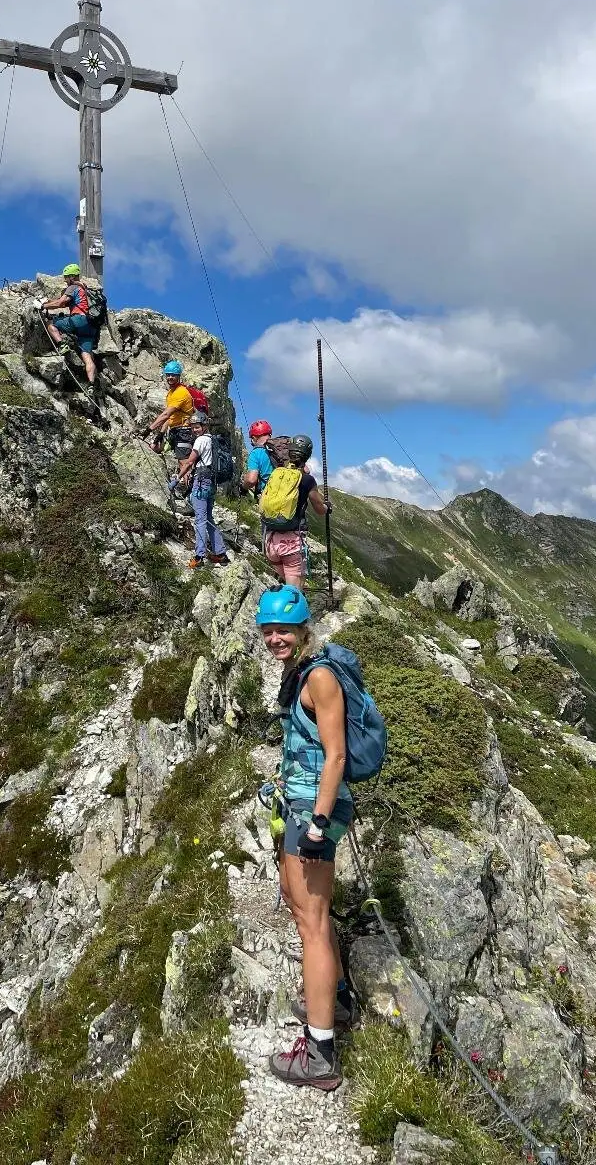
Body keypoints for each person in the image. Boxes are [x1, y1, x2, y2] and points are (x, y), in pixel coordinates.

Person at [258, 584, 355, 1091]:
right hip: (298, 803)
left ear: (302, 630)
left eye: (283, 629)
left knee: (312, 924)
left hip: (315, 811)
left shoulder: (319, 678)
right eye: (268, 630)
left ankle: (320, 1053)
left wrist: (317, 822)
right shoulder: (298, 674)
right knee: (304, 910)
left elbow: (336, 755)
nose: (275, 638)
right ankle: (334, 997)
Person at [262, 435, 328, 589]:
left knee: (286, 586)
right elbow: (319, 509)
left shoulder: (277, 473)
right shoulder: (307, 480)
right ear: (308, 455)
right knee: (294, 593)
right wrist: (327, 507)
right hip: (292, 543)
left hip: (271, 541)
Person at [177, 412, 231, 568]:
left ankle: (199, 557)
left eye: (197, 427)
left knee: (200, 520)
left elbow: (189, 462)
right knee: (208, 518)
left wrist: (177, 479)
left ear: (204, 426)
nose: (195, 430)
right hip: (211, 482)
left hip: (201, 481)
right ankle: (221, 553)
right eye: (193, 427)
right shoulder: (213, 440)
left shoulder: (201, 440)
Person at [40, 263, 99, 384]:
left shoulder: (73, 287)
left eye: (66, 277)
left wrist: (42, 306)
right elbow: (63, 303)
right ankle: (92, 384)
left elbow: (61, 303)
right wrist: (48, 301)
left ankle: (62, 344)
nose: (65, 280)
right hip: (91, 326)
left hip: (79, 320)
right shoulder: (85, 290)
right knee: (87, 356)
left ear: (72, 277)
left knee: (51, 323)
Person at [144, 361, 196, 452]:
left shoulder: (181, 392)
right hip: (175, 430)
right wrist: (160, 434)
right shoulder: (171, 393)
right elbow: (170, 417)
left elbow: (166, 414)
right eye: (168, 375)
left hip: (184, 431)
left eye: (173, 375)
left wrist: (149, 429)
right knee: (154, 447)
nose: (170, 377)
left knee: (184, 463)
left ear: (178, 376)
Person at [243, 419, 276, 497]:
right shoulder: (282, 449)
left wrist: (243, 487)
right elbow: (306, 470)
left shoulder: (256, 453)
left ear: (254, 438)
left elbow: (251, 480)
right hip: (291, 498)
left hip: (270, 497)